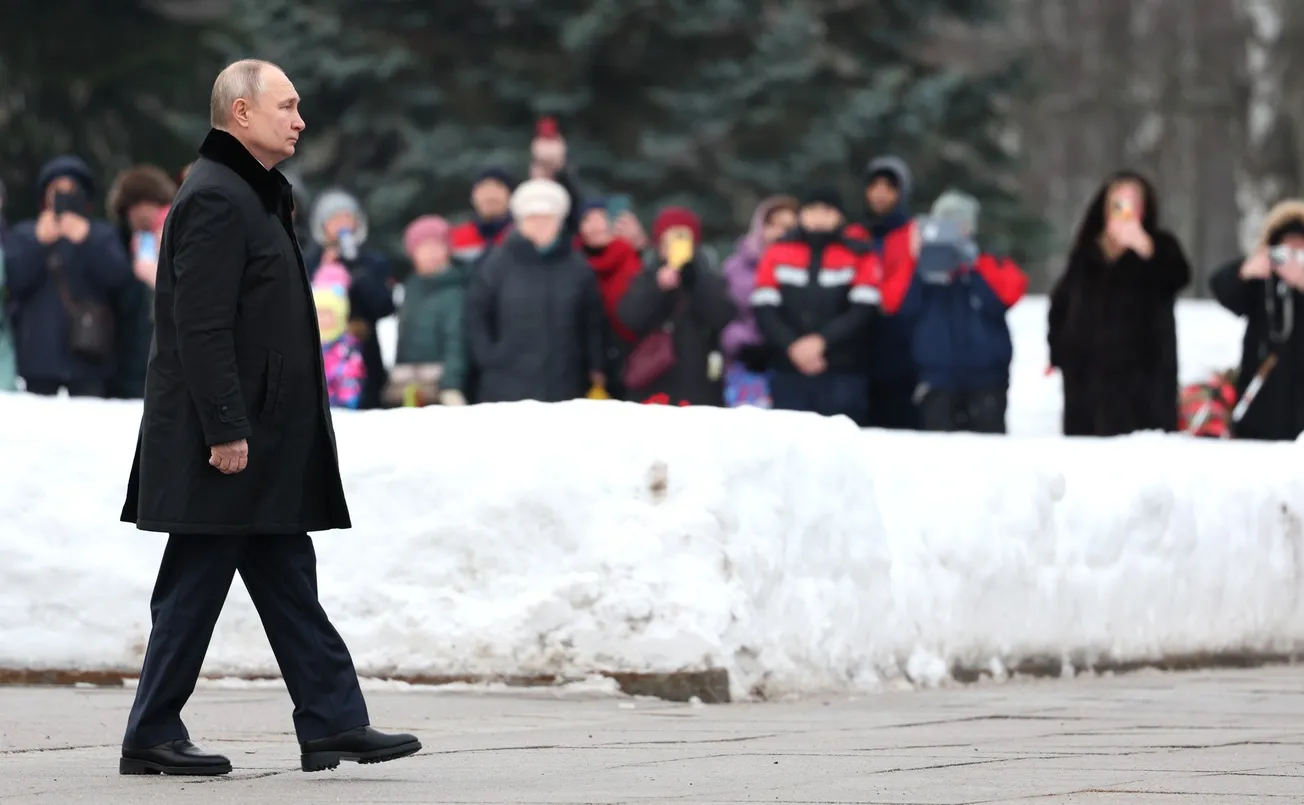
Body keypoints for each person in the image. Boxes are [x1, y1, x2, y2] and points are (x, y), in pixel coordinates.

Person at [118, 59, 420, 777]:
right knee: (195, 584)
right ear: (241, 113)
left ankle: (333, 722)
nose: (300, 118)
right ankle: (152, 732)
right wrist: (225, 428)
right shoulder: (218, 197)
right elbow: (201, 328)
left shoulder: (252, 194)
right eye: (286, 105)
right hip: (226, 439)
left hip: (261, 435)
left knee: (286, 575)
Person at [1047, 170, 1190, 436]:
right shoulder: (1086, 251)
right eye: (1118, 201)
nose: (1125, 208)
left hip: (1143, 384)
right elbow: (1061, 305)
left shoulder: (1161, 245)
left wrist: (1146, 249)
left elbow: (1179, 277)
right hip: (1087, 385)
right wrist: (1061, 352)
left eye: (1133, 201)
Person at [882, 191, 1027, 433]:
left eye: (960, 224)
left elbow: (1008, 295)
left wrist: (973, 264)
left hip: (986, 378)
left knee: (990, 456)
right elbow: (896, 306)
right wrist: (917, 261)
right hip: (937, 377)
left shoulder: (986, 259)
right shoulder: (921, 267)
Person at [464, 177, 605, 402]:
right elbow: (476, 315)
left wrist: (595, 366)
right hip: (505, 387)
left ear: (559, 222)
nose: (540, 224)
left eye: (547, 217)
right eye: (532, 218)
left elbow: (592, 322)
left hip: (564, 385)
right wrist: (489, 357)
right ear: (520, 222)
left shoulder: (577, 267)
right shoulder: (496, 264)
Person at [3, 155, 132, 396]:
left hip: (90, 357)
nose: (63, 197)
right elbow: (15, 282)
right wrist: (38, 243)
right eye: (56, 190)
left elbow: (118, 280)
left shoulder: (101, 234)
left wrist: (88, 240)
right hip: (39, 360)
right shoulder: (25, 234)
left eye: (71, 190)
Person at [751, 186, 881, 420]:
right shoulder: (778, 251)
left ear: (840, 216)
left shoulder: (860, 254)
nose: (819, 217)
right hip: (788, 367)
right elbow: (764, 309)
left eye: (827, 210)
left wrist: (821, 342)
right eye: (812, 209)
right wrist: (792, 346)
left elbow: (862, 313)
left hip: (842, 370)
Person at [618, 206, 737, 406]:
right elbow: (629, 317)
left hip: (698, 381)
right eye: (669, 239)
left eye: (682, 238)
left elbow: (722, 316)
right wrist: (657, 287)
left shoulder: (707, 275)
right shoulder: (647, 275)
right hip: (653, 379)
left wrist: (693, 280)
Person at [1209, 199, 1304, 440]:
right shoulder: (1262, 283)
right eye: (1285, 252)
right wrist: (1244, 271)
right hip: (1262, 397)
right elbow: (1222, 289)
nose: (1292, 260)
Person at [845, 155, 919, 428]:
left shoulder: (913, 233)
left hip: (902, 349)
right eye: (874, 186)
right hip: (857, 346)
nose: (880, 194)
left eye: (889, 187)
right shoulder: (853, 234)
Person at [720, 195, 798, 407]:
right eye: (772, 224)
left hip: (788, 362)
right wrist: (740, 343)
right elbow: (723, 313)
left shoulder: (801, 268)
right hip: (745, 363)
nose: (778, 232)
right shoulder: (736, 266)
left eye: (787, 226)